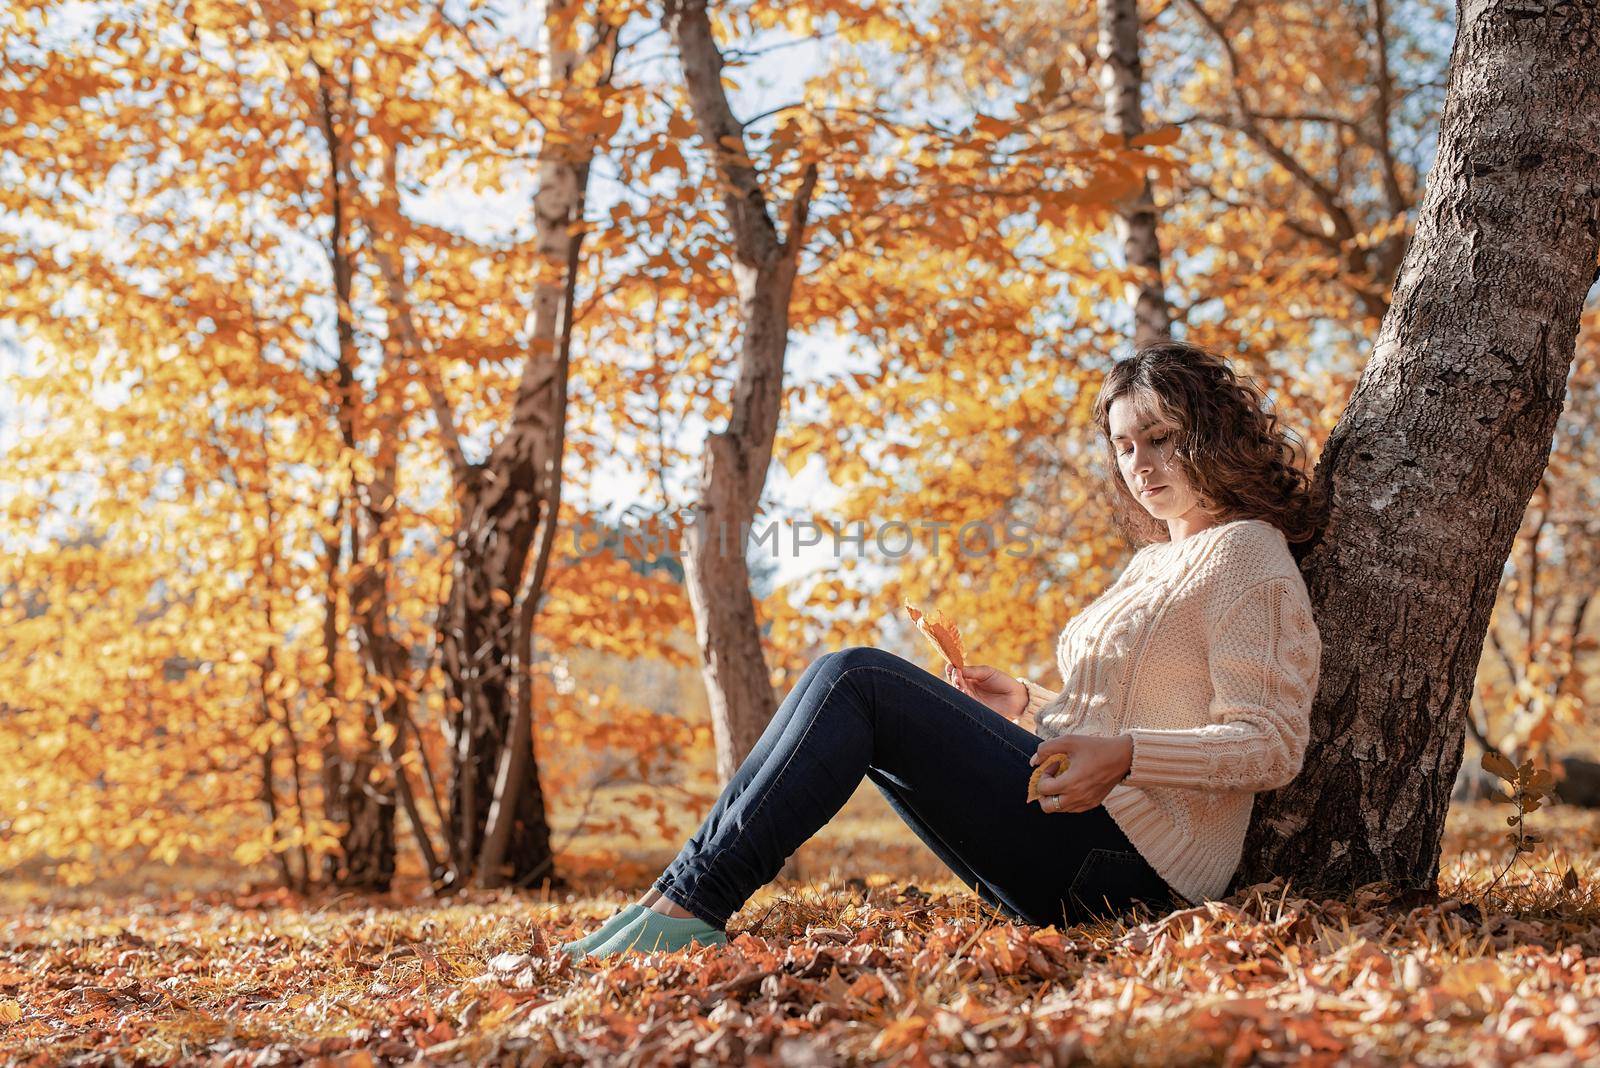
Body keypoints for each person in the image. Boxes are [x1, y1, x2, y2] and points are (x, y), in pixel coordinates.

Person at [561, 339, 1325, 959]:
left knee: (856, 677)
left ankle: (689, 906)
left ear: (1213, 434)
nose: (1142, 464)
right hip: (1082, 835)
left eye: (1161, 438)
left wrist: (1125, 755)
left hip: (1137, 873)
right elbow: (1119, 716)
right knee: (848, 686)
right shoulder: (1152, 561)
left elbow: (1270, 743)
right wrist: (1027, 706)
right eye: (1126, 446)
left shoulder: (1248, 555)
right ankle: (671, 904)